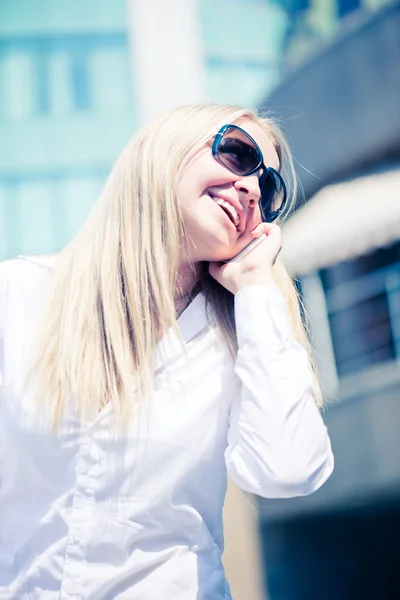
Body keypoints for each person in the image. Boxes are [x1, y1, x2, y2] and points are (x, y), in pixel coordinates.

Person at [0, 103, 334, 600]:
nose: (251, 188)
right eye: (239, 155)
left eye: (269, 190)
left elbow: (287, 472)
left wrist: (259, 289)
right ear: (166, 151)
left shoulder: (243, 343)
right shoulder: (18, 295)